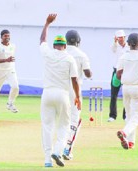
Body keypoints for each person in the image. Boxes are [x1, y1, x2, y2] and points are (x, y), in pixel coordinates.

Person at [39, 13, 81, 167]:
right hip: (63, 94)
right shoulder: (69, 58)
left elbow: (42, 40)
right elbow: (75, 80)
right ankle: (58, 150)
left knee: (47, 127)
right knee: (64, 125)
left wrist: (47, 23)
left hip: (47, 93)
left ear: (55, 45)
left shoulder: (48, 53)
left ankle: (47, 160)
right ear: (64, 46)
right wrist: (77, 97)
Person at [116, 33, 138, 150]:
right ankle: (125, 133)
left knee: (129, 115)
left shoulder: (123, 57)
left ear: (128, 43)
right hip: (137, 88)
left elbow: (118, 74)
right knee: (137, 116)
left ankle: (130, 142)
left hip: (125, 87)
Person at [62, 30, 92, 160]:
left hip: (60, 89)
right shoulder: (81, 55)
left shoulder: (61, 53)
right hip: (74, 90)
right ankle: (66, 149)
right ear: (78, 41)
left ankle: (58, 147)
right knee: (75, 120)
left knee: (62, 120)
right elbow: (88, 73)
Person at [0, 29, 19, 116]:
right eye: (5, 36)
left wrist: (9, 61)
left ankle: (10, 103)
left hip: (10, 70)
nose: (7, 37)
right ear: (1, 37)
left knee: (15, 87)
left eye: (8, 36)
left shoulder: (13, 46)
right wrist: (6, 60)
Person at [108, 30, 129, 122]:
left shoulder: (129, 47)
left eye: (121, 37)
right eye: (118, 37)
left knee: (127, 95)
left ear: (125, 37)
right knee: (113, 95)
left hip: (127, 72)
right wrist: (115, 42)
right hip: (116, 72)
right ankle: (112, 116)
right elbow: (112, 49)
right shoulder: (115, 46)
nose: (120, 39)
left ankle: (126, 116)